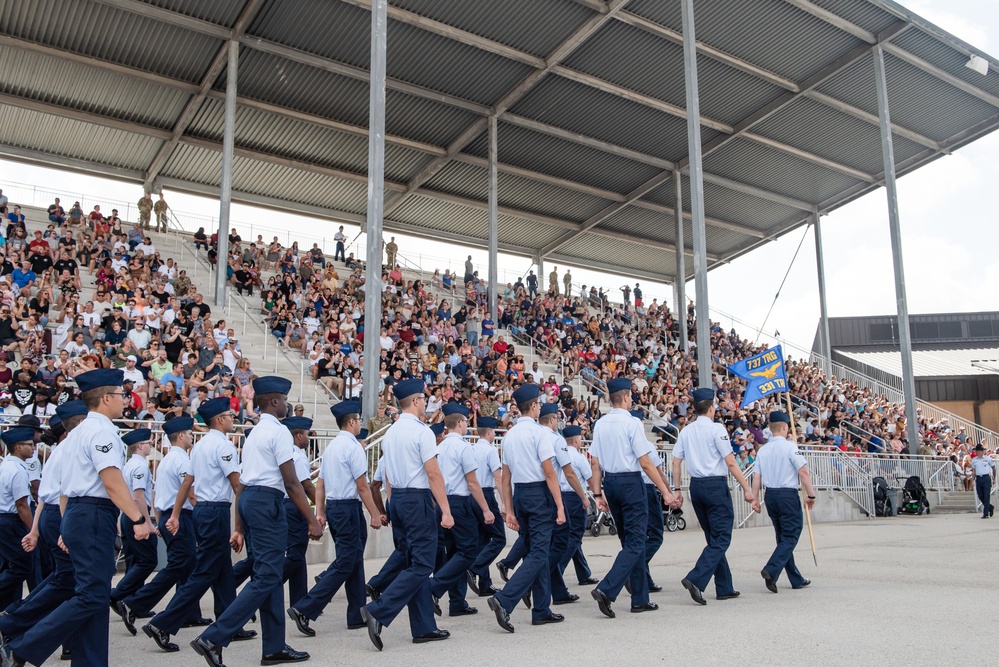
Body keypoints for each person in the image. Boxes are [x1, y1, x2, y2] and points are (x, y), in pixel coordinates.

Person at [4, 369, 152, 667]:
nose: (125, 399)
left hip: (77, 513)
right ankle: (20, 647)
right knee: (92, 597)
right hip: (93, 514)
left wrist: (66, 523)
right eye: (122, 394)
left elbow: (63, 490)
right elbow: (111, 481)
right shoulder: (101, 431)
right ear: (107, 397)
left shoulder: (78, 434)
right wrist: (137, 519)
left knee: (91, 597)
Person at [190, 376, 321, 667]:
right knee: (267, 577)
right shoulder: (279, 433)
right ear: (275, 402)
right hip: (267, 503)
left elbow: (243, 486)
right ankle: (214, 636)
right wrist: (311, 519)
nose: (287, 404)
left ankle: (273, 647)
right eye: (285, 399)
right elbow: (292, 483)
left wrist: (238, 526)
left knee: (269, 576)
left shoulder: (254, 433)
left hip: (251, 501)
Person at [143, 398, 255, 652]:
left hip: (204, 511)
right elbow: (237, 485)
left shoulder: (201, 446)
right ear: (219, 420)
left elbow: (187, 484)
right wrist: (242, 524)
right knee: (205, 572)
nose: (232, 418)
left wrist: (174, 514)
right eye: (229, 415)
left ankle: (230, 623)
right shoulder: (223, 446)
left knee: (223, 571)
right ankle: (163, 623)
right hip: (215, 511)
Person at [360, 379, 452, 650]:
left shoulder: (391, 433)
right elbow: (433, 474)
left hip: (398, 498)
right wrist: (445, 510)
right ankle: (379, 609)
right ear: (415, 401)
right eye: (423, 399)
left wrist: (392, 502)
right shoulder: (421, 432)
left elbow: (387, 475)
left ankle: (424, 626)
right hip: (416, 498)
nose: (425, 403)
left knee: (414, 563)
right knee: (423, 564)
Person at [288, 401, 384, 636]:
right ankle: (306, 607)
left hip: (335, 506)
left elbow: (320, 483)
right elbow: (362, 487)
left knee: (353, 560)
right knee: (347, 561)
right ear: (351, 422)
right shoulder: (353, 447)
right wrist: (374, 514)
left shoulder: (332, 447)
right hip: (348, 507)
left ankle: (357, 613)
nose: (361, 423)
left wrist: (320, 511)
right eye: (359, 420)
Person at [0, 402, 87, 661]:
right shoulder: (66, 450)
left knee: (62, 579)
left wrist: (37, 529)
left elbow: (42, 497)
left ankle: (16, 622)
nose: (33, 445)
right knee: (65, 581)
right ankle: (13, 625)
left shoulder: (57, 452)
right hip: (56, 515)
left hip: (49, 516)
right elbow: (48, 496)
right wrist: (50, 528)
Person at [586, 380, 678, 617]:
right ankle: (607, 589)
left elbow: (594, 462)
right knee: (637, 541)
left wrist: (598, 493)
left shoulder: (601, 423)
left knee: (629, 543)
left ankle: (640, 598)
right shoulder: (632, 422)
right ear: (626, 397)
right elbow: (646, 462)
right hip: (630, 482)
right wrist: (665, 492)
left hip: (611, 482)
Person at [115, 416, 206, 634]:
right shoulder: (182, 460)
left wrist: (159, 519)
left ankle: (189, 613)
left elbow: (155, 495)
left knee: (187, 566)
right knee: (179, 565)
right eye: (190, 433)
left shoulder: (166, 460)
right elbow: (190, 494)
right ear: (182, 435)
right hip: (180, 517)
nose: (192, 436)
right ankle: (134, 603)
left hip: (168, 515)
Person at [486, 383, 565, 632]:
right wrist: (560, 507)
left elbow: (505, 478)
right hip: (539, 494)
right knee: (540, 552)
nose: (539, 407)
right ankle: (504, 599)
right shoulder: (540, 433)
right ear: (533, 406)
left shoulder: (509, 436)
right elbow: (550, 474)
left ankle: (541, 609)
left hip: (520, 494)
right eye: (538, 404)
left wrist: (508, 509)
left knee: (534, 550)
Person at [671, 387, 757, 606]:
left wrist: (677, 489)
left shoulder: (686, 430)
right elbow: (730, 462)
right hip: (715, 486)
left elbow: (676, 461)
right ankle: (696, 578)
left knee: (713, 538)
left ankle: (724, 586)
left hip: (696, 486)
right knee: (721, 538)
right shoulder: (717, 429)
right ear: (711, 408)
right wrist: (747, 489)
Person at [430, 403, 494, 616]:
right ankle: (434, 588)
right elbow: (473, 483)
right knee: (467, 551)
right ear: (459, 423)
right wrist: (485, 509)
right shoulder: (463, 446)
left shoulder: (438, 448)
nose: (468, 425)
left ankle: (457, 602)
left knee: (454, 553)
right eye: (466, 421)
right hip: (458, 502)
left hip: (442, 502)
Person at [751, 411, 815, 593]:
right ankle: (771, 569)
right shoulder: (789, 447)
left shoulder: (763, 449)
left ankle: (795, 578)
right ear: (786, 427)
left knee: (782, 538)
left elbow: (757, 476)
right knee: (791, 535)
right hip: (787, 495)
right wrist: (811, 495)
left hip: (770, 495)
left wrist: (754, 498)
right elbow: (803, 472)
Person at [537, 402, 588, 606]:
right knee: (563, 542)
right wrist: (584, 497)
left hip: (531, 492)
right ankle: (534, 579)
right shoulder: (554, 439)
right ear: (551, 420)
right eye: (557, 419)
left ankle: (558, 592)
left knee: (547, 542)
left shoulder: (529, 435)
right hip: (554, 494)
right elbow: (569, 473)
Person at [110, 428, 158, 607]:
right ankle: (116, 595)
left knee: (134, 560)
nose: (151, 444)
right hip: (136, 515)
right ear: (139, 446)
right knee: (147, 561)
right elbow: (138, 498)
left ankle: (131, 601)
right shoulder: (139, 466)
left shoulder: (129, 464)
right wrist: (146, 522)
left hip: (127, 515)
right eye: (148, 443)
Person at [549, 425, 592, 603]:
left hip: (558, 495)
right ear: (576, 440)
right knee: (573, 538)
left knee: (570, 538)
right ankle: (556, 568)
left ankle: (584, 573)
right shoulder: (579, 457)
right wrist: (593, 496)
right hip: (574, 497)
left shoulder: (556, 451)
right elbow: (589, 478)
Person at [466, 416, 505, 596]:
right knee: (499, 538)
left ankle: (485, 583)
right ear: (489, 432)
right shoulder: (490, 450)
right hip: (486, 494)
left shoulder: (471, 449)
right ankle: (474, 568)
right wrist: (504, 503)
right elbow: (497, 477)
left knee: (482, 540)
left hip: (472, 495)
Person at [0, 427, 35, 611]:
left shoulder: (5, 465)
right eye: (29, 445)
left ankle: (8, 609)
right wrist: (32, 530)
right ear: (18, 447)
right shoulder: (17, 470)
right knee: (21, 565)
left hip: (4, 519)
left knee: (8, 565)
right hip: (11, 521)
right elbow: (22, 505)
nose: (34, 448)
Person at [972, 444, 995, 519]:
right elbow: (974, 471)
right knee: (980, 495)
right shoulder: (974, 460)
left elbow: (993, 467)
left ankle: (985, 514)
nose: (979, 452)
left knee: (986, 495)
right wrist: (973, 480)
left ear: (982, 451)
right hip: (978, 478)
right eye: (977, 451)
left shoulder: (987, 459)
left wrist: (994, 478)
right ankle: (990, 507)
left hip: (986, 478)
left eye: (980, 451)